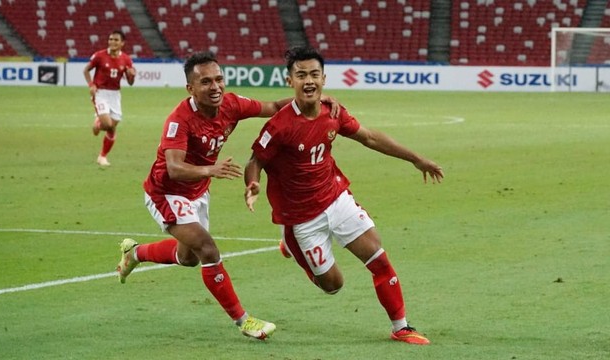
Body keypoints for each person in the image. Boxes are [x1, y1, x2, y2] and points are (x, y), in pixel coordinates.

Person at [115, 51, 339, 340]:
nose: (215, 87)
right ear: (190, 89)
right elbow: (174, 168)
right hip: (167, 192)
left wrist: (317, 101)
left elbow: (272, 105)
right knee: (207, 249)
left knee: (189, 258)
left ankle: (134, 253)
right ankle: (244, 321)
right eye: (205, 82)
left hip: (197, 192)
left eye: (219, 79)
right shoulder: (179, 120)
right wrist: (211, 169)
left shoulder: (231, 104)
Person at [243, 46, 444, 345]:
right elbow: (255, 160)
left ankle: (401, 326)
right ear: (290, 81)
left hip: (335, 198)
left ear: (324, 78)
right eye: (301, 75)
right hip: (300, 217)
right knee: (333, 286)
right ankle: (291, 243)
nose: (308, 81)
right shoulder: (280, 126)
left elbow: (370, 137)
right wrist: (253, 184)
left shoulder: (332, 112)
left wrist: (415, 158)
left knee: (377, 255)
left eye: (314, 74)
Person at [83, 29, 136, 167]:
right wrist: (91, 84)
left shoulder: (126, 59)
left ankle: (102, 157)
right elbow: (86, 70)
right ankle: (98, 123)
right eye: (110, 39)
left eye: (116, 40)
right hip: (100, 93)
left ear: (122, 43)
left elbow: (130, 83)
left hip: (115, 95)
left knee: (112, 128)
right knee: (107, 125)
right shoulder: (99, 56)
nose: (112, 42)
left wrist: (132, 75)